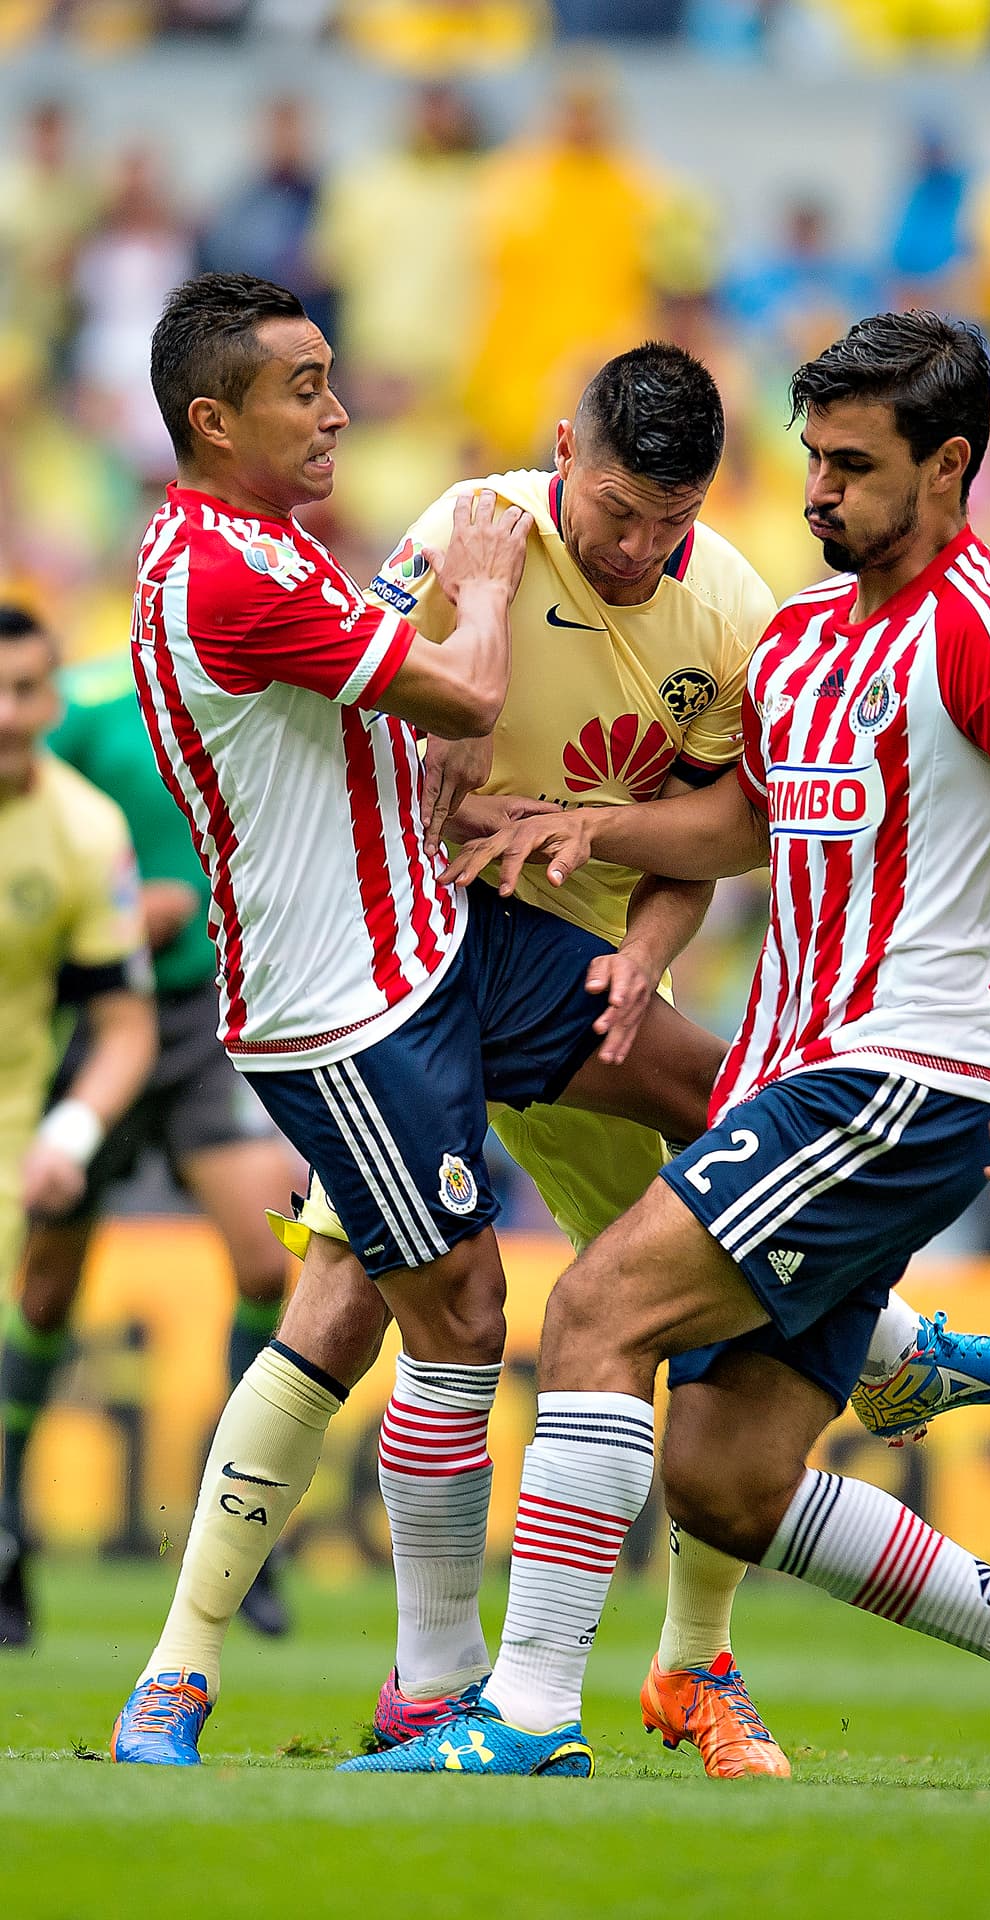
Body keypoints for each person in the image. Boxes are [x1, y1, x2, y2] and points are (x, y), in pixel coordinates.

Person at [124, 335, 990, 1774]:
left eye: (667, 522)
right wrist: (470, 764)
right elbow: (383, 738)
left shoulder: (733, 609)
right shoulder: (472, 532)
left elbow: (726, 830)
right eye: (617, 513)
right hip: (418, 953)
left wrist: (640, 947)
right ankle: (191, 1669)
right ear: (565, 455)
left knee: (723, 1147)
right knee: (357, 1302)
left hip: (583, 971)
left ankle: (700, 1647)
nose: (637, 550)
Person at [354, 312, 990, 1792]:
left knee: (595, 1314)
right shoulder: (802, 635)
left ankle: (524, 1714)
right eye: (813, 459)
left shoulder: (979, 631)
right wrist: (585, 826)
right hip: (795, 1078)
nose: (819, 491)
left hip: (890, 1080)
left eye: (853, 466)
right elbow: (746, 821)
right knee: (722, 1481)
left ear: (949, 466)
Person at [104, 272, 733, 1766]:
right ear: (213, 420)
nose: (337, 413)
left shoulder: (279, 546)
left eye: (332, 380)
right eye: (303, 389)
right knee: (447, 1315)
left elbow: (386, 733)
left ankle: (886, 1336)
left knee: (707, 1084)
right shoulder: (226, 572)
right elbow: (458, 690)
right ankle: (416, 1683)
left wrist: (486, 807)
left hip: (445, 934)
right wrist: (491, 584)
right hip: (350, 1003)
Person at [0, 645, 304, 1644]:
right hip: (93, 1017)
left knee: (268, 1260)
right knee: (46, 1287)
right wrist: (121, 911)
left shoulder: (261, 696)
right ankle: (7, 1525)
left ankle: (239, 1528)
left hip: (212, 1018)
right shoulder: (84, 705)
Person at [0, 605, 157, 1646]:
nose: (10, 715)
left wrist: (72, 1133)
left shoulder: (86, 830)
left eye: (28, 691)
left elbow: (124, 1025)